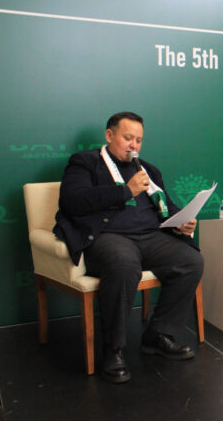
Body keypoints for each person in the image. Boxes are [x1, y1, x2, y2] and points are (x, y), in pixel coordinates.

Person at [53, 112, 204, 383]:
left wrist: (180, 221)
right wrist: (126, 191)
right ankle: (114, 350)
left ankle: (158, 335)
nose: (134, 145)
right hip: (108, 237)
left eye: (139, 140)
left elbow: (166, 205)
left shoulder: (148, 170)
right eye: (128, 138)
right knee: (123, 265)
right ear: (109, 135)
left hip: (150, 236)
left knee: (191, 261)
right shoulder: (85, 162)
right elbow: (72, 201)